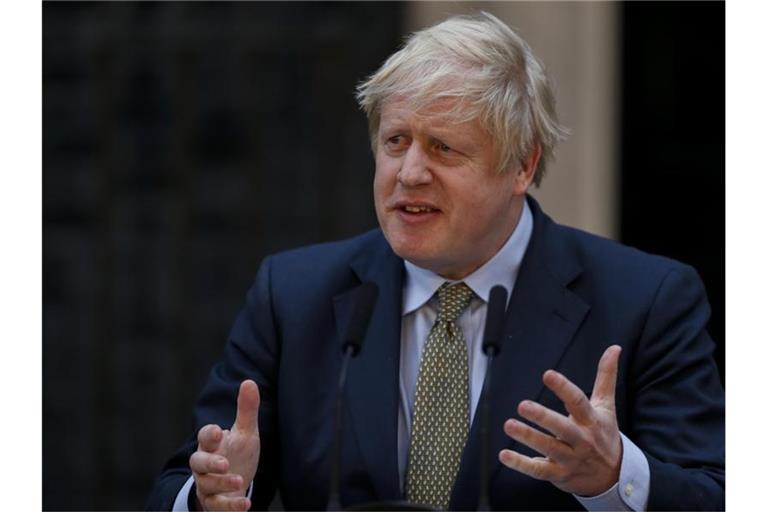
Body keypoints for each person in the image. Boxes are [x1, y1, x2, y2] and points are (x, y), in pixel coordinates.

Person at [147, 12, 724, 511]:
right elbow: (186, 481)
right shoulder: (294, 295)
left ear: (522, 166)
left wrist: (615, 476)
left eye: (445, 148)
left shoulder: (646, 300)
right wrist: (207, 497)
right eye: (396, 142)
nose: (410, 173)